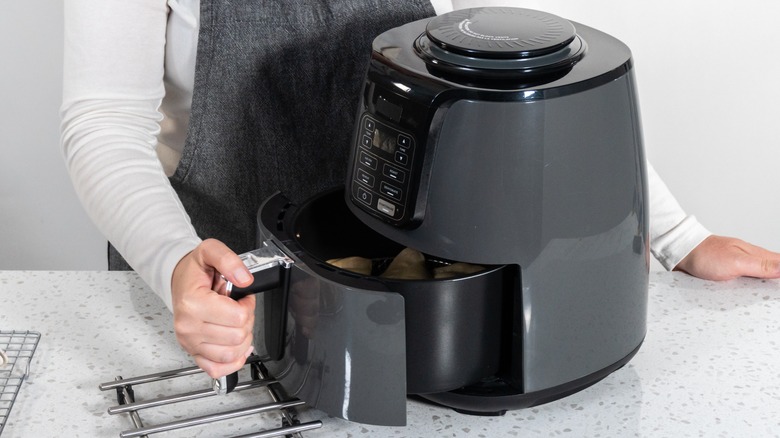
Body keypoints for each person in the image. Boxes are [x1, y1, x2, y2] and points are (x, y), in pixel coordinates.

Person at [60, 0, 780, 380]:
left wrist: (677, 235)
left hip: (407, 290)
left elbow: (523, 74)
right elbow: (103, 124)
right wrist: (173, 265)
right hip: (220, 297)